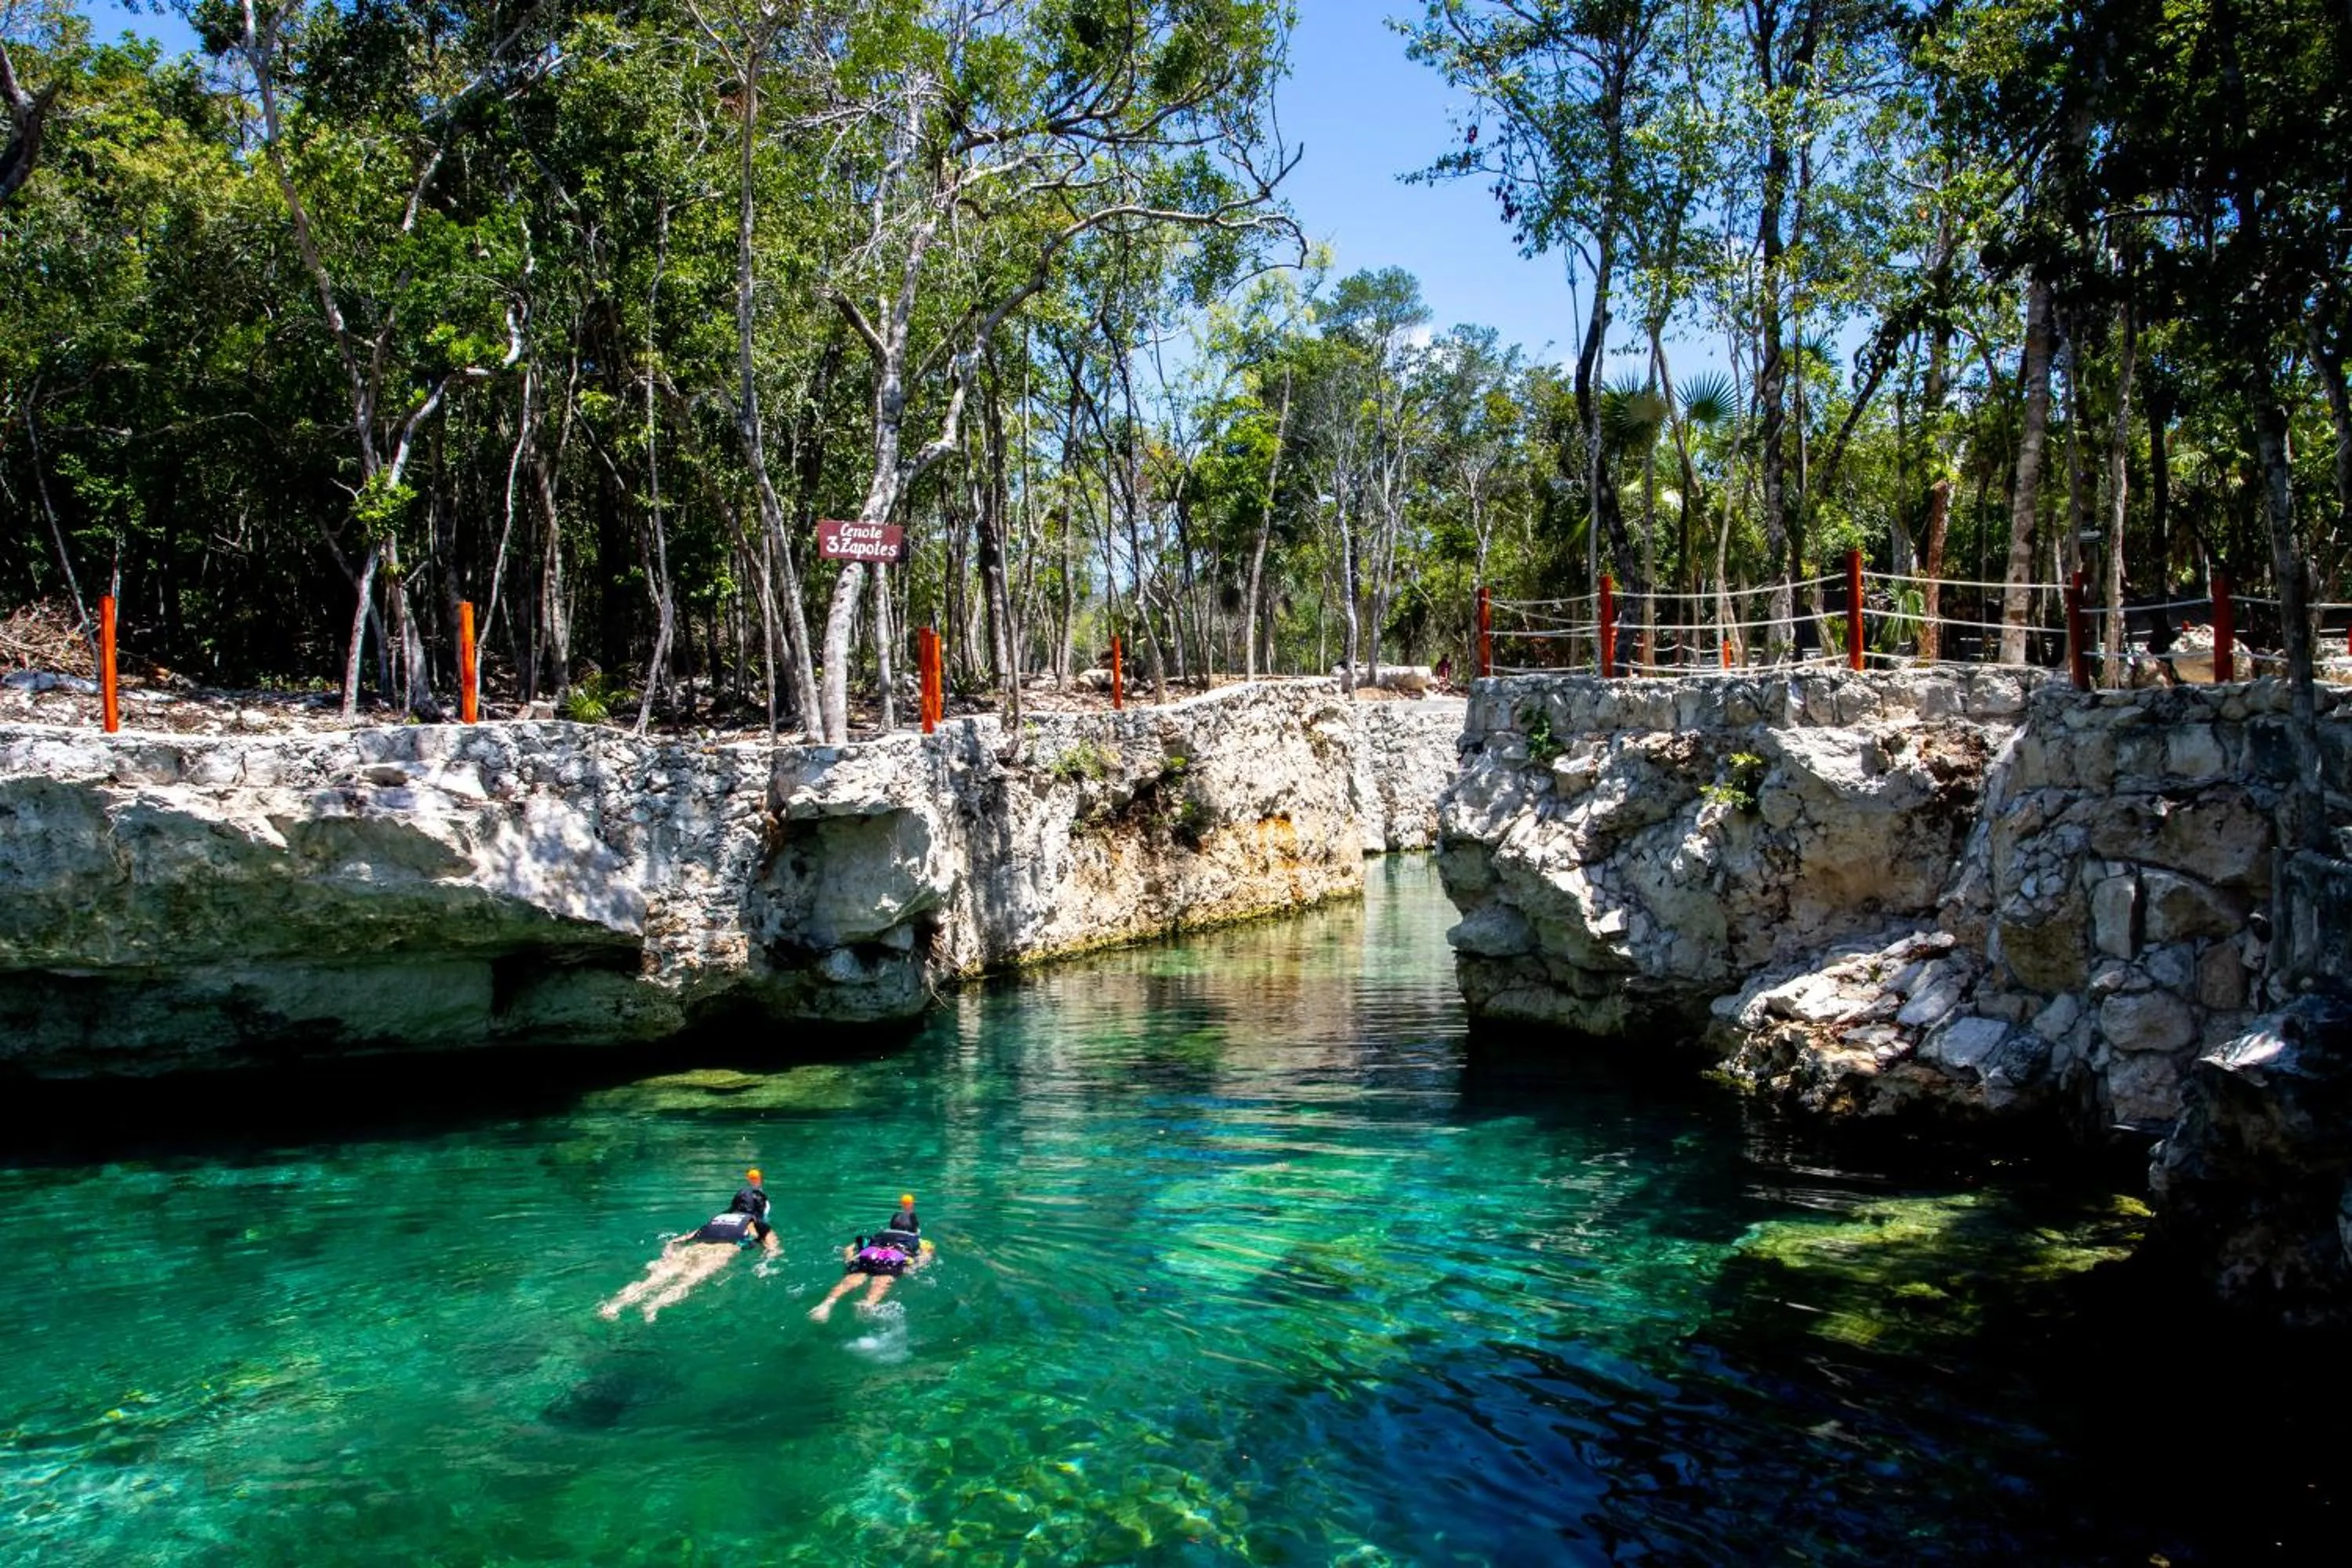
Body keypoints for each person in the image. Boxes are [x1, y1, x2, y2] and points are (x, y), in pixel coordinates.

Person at [599, 1169, 779, 1323]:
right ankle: (652, 1307)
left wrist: (668, 1252)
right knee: (687, 1281)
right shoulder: (758, 1225)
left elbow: (678, 1240)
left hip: (692, 1250)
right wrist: (764, 1265)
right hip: (718, 1254)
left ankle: (614, 1306)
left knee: (653, 1280)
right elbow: (773, 1250)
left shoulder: (718, 1218)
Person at [808, 1192, 932, 1322]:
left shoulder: (878, 1235)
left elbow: (850, 1248)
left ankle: (827, 1304)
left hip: (869, 1254)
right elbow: (925, 1257)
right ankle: (868, 1303)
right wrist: (914, 1267)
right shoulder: (920, 1241)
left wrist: (849, 1258)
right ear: (914, 1230)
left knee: (852, 1279)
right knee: (882, 1280)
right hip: (893, 1258)